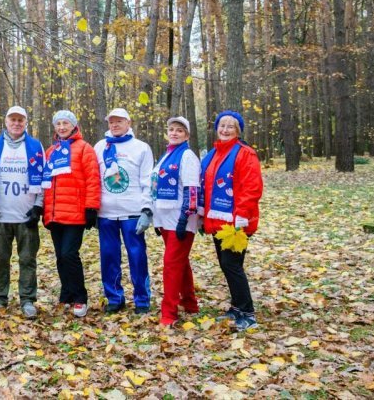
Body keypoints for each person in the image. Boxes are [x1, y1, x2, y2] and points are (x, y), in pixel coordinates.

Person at [199, 110, 263, 331]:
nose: (225, 130)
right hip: (217, 220)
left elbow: (251, 187)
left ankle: (247, 312)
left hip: (237, 222)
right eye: (222, 126)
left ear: (238, 131)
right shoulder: (213, 154)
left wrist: (241, 216)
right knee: (226, 265)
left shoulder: (245, 154)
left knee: (232, 265)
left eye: (230, 127)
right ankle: (236, 308)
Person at [0, 106, 45, 319]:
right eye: (13, 119)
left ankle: (28, 299)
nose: (16, 123)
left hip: (26, 215)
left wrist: (38, 207)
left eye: (21, 120)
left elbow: (43, 179)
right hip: (1, 215)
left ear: (26, 122)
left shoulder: (36, 146)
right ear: (6, 121)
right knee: (1, 258)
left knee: (28, 259)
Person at [93, 108, 154, 315]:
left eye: (119, 121)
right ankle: (114, 297)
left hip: (133, 212)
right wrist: (92, 208)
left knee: (137, 256)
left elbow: (147, 181)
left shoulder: (141, 148)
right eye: (112, 122)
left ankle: (142, 299)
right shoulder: (100, 146)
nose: (115, 125)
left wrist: (147, 209)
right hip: (106, 213)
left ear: (129, 122)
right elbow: (94, 179)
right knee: (109, 256)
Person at [42, 110, 101, 318]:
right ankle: (66, 294)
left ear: (73, 125)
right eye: (58, 124)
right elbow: (46, 182)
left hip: (75, 213)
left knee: (69, 254)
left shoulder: (85, 149)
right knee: (60, 257)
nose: (61, 127)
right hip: (55, 213)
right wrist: (44, 209)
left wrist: (91, 207)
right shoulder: (51, 151)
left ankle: (80, 297)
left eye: (65, 123)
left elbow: (93, 178)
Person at [152, 117, 201, 326]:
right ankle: (189, 302)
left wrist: (185, 217)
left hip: (181, 220)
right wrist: (156, 219)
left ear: (187, 135)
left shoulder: (187, 156)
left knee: (171, 264)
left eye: (179, 130)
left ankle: (169, 313)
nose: (174, 133)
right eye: (171, 129)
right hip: (165, 219)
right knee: (180, 262)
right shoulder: (167, 154)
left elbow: (192, 189)